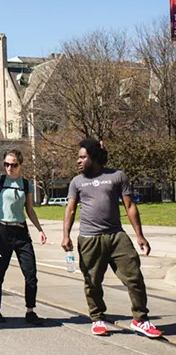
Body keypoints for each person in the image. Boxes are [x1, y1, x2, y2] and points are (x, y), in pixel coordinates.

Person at [62, 139, 163, 338]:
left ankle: (141, 320)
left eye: (82, 157)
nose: (78, 161)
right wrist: (65, 235)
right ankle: (97, 318)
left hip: (117, 236)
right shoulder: (77, 182)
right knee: (92, 282)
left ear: (93, 157)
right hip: (90, 238)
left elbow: (130, 206)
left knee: (134, 277)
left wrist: (139, 235)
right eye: (78, 157)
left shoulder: (117, 176)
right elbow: (71, 209)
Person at [0, 149, 46, 324]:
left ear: (20, 165)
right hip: (1, 232)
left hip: (20, 232)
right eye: (7, 164)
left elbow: (30, 210)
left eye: (13, 164)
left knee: (30, 273)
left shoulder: (26, 184)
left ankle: (30, 311)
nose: (9, 168)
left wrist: (40, 229)